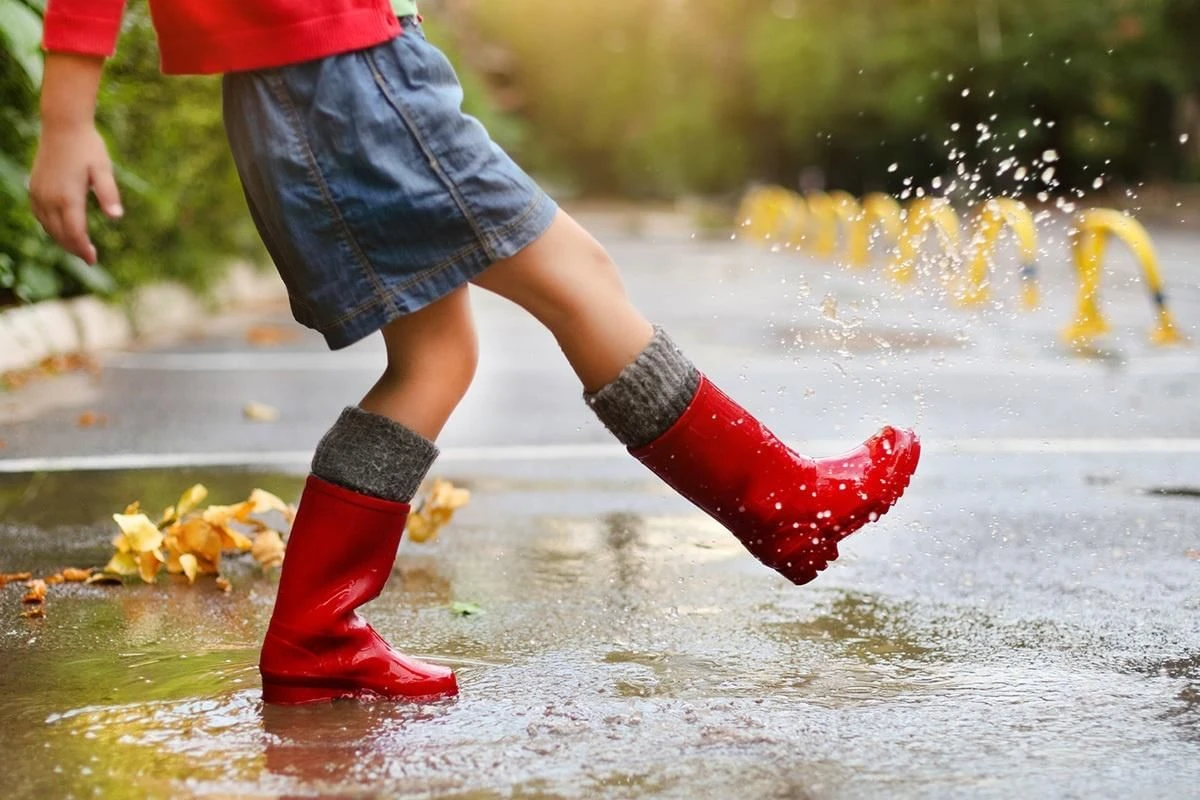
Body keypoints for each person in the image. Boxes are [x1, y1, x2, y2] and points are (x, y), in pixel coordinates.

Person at [29, 0, 921, 705]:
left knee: (435, 360)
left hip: (327, 76)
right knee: (577, 277)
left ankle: (316, 634)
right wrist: (66, 118)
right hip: (341, 75)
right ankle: (779, 499)